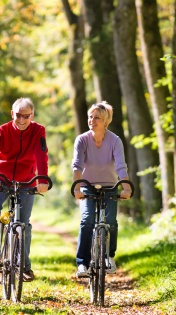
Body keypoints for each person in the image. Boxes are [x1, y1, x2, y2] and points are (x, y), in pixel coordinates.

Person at [0, 97, 49, 282]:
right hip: (1, 179)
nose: (21, 120)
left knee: (23, 224)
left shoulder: (38, 131)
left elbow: (41, 156)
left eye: (26, 116)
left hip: (26, 180)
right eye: (18, 115)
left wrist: (42, 179)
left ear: (32, 115)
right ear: (12, 114)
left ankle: (25, 267)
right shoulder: (2, 131)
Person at [71, 101, 131, 277]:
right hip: (88, 188)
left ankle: (109, 256)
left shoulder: (115, 141)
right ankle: (82, 263)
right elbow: (77, 166)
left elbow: (121, 166)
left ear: (106, 121)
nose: (92, 120)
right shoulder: (82, 140)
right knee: (87, 220)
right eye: (90, 117)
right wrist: (77, 187)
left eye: (97, 117)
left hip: (110, 187)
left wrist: (126, 188)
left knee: (111, 222)